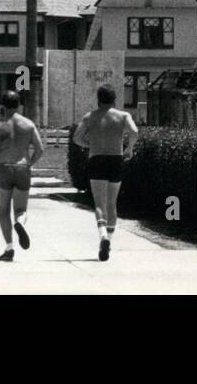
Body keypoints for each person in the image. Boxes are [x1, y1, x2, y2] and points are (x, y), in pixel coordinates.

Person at [72, 84, 139, 262]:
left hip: (96, 160)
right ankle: (109, 239)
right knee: (112, 203)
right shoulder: (123, 116)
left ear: (98, 99)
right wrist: (129, 148)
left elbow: (76, 138)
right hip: (115, 159)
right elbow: (135, 131)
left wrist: (90, 145)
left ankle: (102, 235)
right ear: (115, 99)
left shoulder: (90, 117)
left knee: (99, 204)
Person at [0, 90, 45, 262]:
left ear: (3, 105)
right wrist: (29, 164)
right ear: (19, 105)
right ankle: (20, 223)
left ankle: (9, 248)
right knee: (21, 210)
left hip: (3, 168)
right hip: (22, 167)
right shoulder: (28, 124)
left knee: (3, 211)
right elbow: (40, 150)